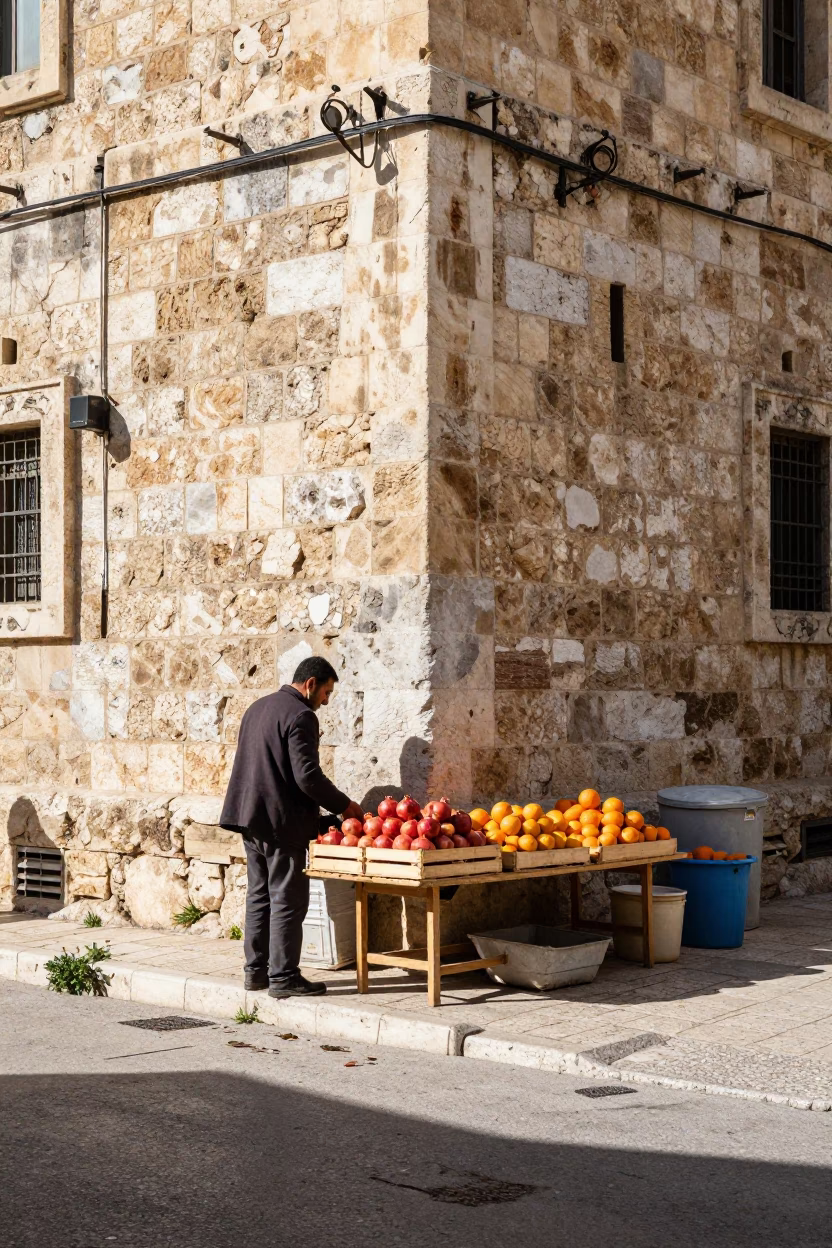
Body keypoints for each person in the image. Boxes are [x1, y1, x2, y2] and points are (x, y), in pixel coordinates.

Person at [219, 655, 364, 997]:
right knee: (287, 899)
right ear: (310, 683)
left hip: (248, 817)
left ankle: (255, 973)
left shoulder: (257, 707)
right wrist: (346, 806)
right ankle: (283, 977)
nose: (326, 700)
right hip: (280, 823)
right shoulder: (301, 715)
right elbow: (307, 776)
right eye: (326, 692)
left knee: (259, 896)